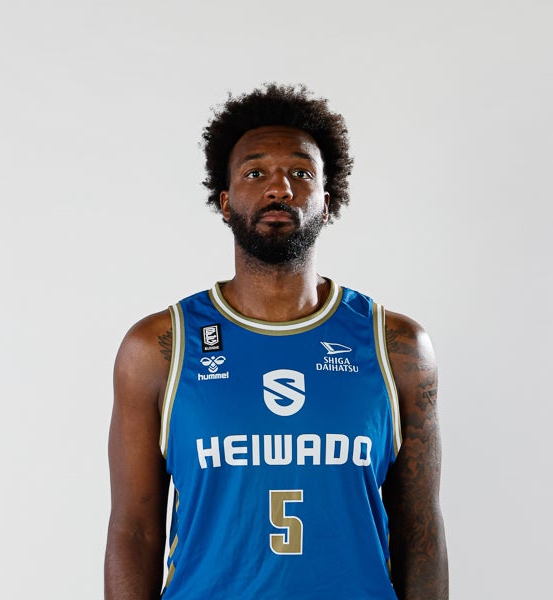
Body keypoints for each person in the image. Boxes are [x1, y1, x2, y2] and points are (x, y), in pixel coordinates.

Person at [105, 83, 448, 599]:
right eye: (255, 172)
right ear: (225, 202)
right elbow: (134, 530)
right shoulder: (159, 348)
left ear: (327, 203)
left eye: (301, 173)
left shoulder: (396, 346)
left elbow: (420, 532)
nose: (279, 188)